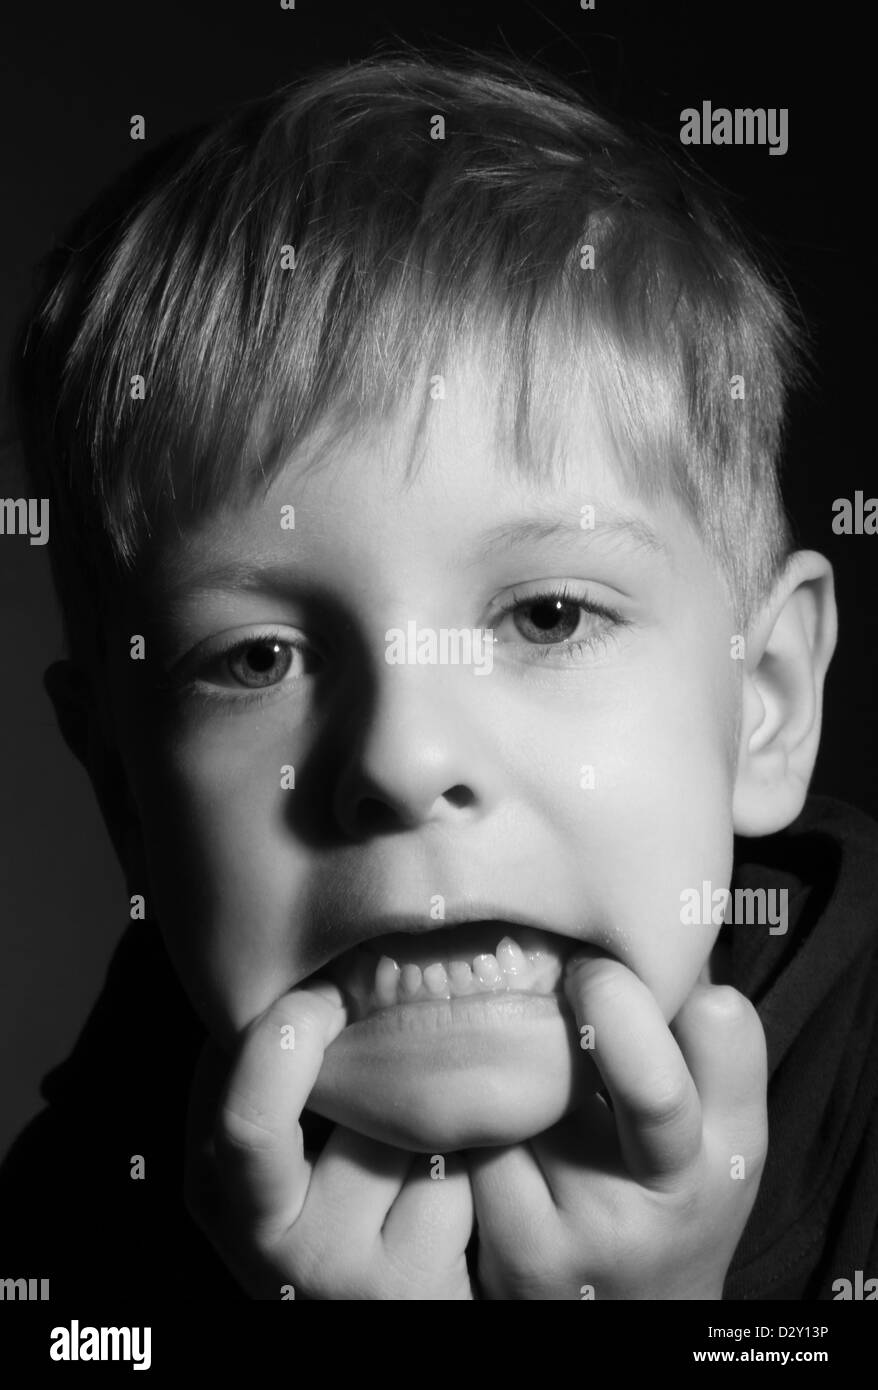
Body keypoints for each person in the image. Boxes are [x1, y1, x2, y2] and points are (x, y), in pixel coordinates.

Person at [2, 52, 875, 1301]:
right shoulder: (68, 1236)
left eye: (547, 614)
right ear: (121, 788)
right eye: (257, 659)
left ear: (767, 702)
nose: (402, 762)